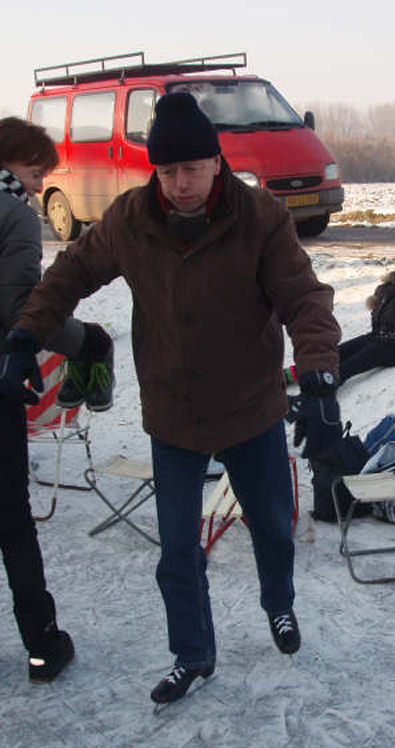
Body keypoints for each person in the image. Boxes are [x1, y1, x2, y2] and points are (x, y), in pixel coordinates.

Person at [4, 93, 342, 704]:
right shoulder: (133, 218)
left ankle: (279, 605)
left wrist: (318, 375)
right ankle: (192, 654)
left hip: (250, 404)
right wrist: (27, 332)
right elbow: (70, 273)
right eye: (166, 172)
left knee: (270, 527)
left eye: (190, 169)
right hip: (175, 413)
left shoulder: (259, 216)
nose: (179, 185)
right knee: (177, 551)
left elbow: (305, 299)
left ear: (215, 161)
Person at [0, 117, 114, 683]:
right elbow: (24, 308)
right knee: (12, 521)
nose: (38, 184)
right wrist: (86, 340)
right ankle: (43, 645)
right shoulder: (14, 213)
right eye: (34, 171)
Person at [285, 249, 395, 390]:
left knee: (349, 365)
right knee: (335, 353)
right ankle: (292, 374)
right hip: (376, 337)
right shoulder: (386, 288)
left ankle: (318, 393)